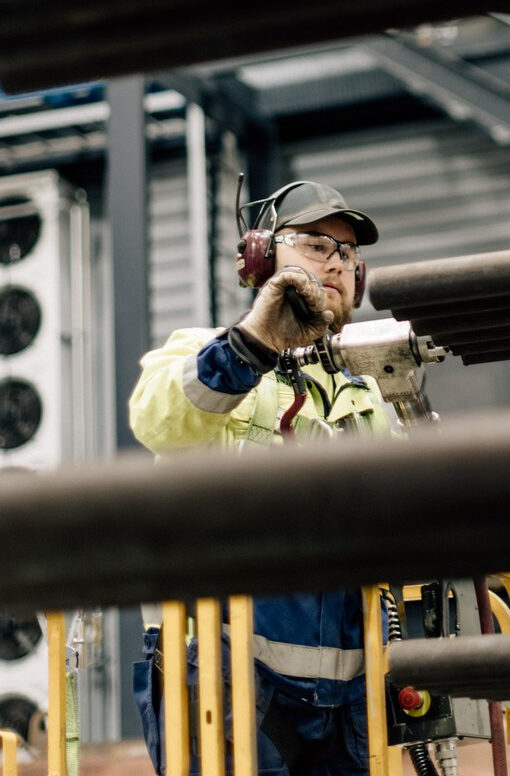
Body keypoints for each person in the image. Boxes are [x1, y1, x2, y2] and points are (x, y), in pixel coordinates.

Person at [129, 181, 391, 776]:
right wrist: (254, 345)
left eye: (347, 254)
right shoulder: (208, 352)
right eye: (315, 243)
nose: (335, 261)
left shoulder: (371, 396)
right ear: (262, 256)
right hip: (225, 674)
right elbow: (154, 418)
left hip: (351, 693)